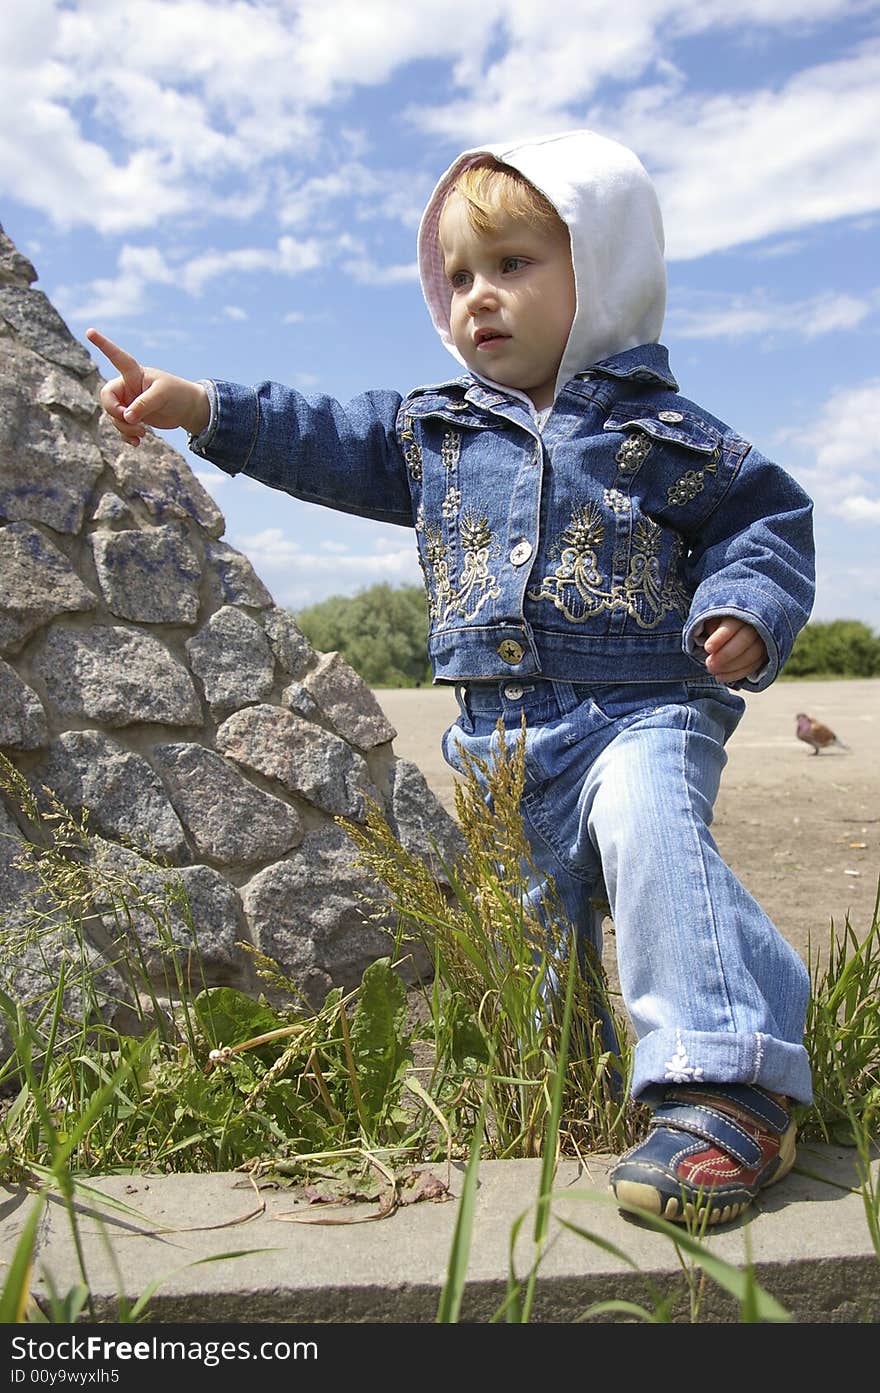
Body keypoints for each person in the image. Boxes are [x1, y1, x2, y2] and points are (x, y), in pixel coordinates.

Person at [86, 127, 815, 1227]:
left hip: (643, 708)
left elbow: (765, 525)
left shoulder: (667, 434)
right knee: (526, 924)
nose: (479, 296)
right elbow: (317, 434)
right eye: (459, 275)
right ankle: (559, 1091)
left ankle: (727, 1084)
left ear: (601, 271)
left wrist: (745, 611)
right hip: (498, 735)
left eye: (514, 265)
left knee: (648, 828)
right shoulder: (431, 431)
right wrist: (201, 407)